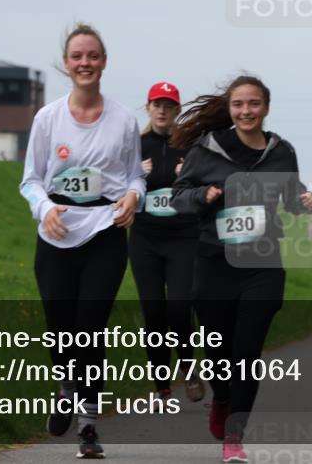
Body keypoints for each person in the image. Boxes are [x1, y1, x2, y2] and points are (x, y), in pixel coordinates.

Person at [170, 74, 312, 464]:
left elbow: (292, 198)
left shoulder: (282, 152)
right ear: (230, 109)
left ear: (266, 107)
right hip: (215, 261)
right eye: (239, 105)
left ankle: (234, 436)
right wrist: (203, 195)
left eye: (253, 104)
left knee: (248, 353)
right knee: (220, 352)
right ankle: (221, 396)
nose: (246, 111)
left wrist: (307, 201)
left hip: (263, 263)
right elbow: (178, 197)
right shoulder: (206, 150)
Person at [18, 24, 146, 459]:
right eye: (77, 56)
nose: (85, 63)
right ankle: (65, 386)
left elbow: (135, 176)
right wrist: (45, 209)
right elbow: (31, 180)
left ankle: (88, 425)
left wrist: (133, 197)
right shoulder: (48, 119)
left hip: (105, 231)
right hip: (56, 231)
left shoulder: (124, 119)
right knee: (60, 329)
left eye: (93, 55)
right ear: (66, 64)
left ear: (104, 62)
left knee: (90, 328)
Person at [129, 81, 206, 403]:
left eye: (169, 105)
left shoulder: (190, 145)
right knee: (152, 311)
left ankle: (188, 367)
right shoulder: (135, 144)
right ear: (147, 108)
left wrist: (188, 174)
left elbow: (206, 185)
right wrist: (135, 174)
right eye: (156, 104)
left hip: (183, 237)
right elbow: (115, 185)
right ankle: (161, 385)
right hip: (145, 238)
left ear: (177, 110)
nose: (162, 110)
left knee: (179, 307)